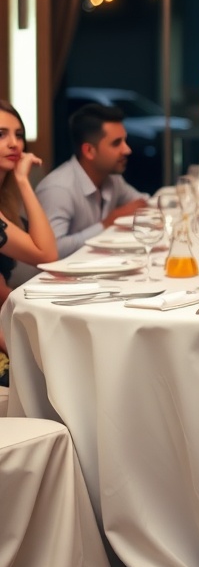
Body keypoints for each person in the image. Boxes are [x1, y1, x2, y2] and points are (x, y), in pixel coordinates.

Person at [36, 103, 148, 258]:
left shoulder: (112, 179)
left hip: (93, 269)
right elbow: (54, 250)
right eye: (117, 143)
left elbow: (141, 203)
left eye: (125, 141)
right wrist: (106, 224)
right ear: (89, 151)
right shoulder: (58, 189)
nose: (127, 149)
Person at [0, 100, 58, 382]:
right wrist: (23, 180)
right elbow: (46, 254)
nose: (14, 144)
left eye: (18, 135)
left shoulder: (5, 201)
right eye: (1, 135)